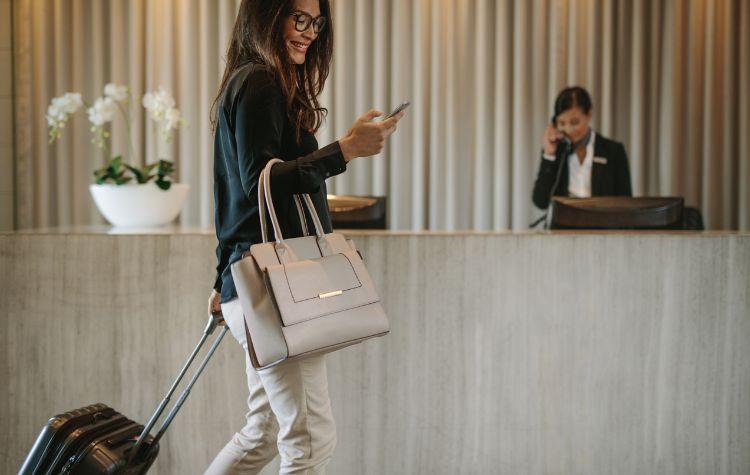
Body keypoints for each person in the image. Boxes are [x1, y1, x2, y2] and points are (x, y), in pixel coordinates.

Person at [204, 0, 405, 473]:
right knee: (309, 443)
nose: (310, 32)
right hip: (274, 296)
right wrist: (346, 150)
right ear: (266, 15)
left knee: (262, 434)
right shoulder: (261, 82)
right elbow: (262, 186)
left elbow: (232, 199)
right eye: (299, 17)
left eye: (316, 22)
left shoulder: (246, 80)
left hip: (253, 291)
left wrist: (220, 282)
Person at [532, 86, 632, 210]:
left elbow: (626, 203)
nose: (569, 130)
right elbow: (540, 202)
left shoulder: (613, 151)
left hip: (603, 226)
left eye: (574, 122)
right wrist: (549, 155)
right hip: (563, 226)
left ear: (589, 114)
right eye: (562, 123)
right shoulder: (555, 151)